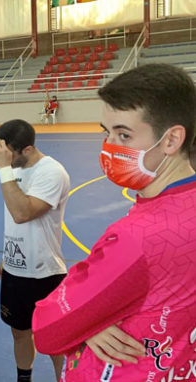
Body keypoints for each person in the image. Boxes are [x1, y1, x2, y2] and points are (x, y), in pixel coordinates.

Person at [32, 64, 196, 381]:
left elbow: (48, 330)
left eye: (124, 134)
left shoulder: (137, 237)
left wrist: (84, 322)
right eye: (106, 133)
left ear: (172, 139)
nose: (109, 146)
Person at [0, 119, 70, 382]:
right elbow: (12, 219)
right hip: (15, 270)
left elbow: (22, 213)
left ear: (27, 149)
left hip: (44, 272)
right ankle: (23, 378)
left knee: (54, 335)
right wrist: (6, 255)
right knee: (20, 331)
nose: (4, 160)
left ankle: (63, 378)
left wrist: (4, 170)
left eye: (8, 154)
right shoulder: (13, 167)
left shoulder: (52, 172)